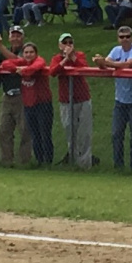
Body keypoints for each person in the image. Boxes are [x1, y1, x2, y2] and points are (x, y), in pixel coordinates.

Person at [94, 26, 132, 170]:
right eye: (122, 37)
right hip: (120, 100)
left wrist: (105, 63)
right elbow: (107, 65)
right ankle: (118, 166)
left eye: (128, 36)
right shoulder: (116, 50)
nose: (125, 40)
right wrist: (100, 62)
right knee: (117, 133)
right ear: (118, 38)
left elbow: (128, 65)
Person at [0, 42, 54, 165]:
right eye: (26, 52)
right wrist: (17, 68)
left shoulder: (39, 61)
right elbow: (5, 64)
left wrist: (23, 71)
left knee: (45, 133)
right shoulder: (22, 62)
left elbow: (36, 67)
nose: (29, 55)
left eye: (31, 52)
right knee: (35, 134)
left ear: (36, 53)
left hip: (43, 103)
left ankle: (48, 162)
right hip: (28, 104)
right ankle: (39, 161)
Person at [0, 26, 32, 165]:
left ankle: (25, 162)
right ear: (9, 37)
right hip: (7, 96)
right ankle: (6, 161)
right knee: (3, 131)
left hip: (23, 95)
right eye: (13, 35)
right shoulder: (3, 51)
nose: (15, 38)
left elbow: (17, 60)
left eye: (18, 35)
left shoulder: (26, 50)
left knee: (24, 131)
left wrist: (0, 45)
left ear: (23, 38)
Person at [49, 33, 94, 168]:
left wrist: (72, 57)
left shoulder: (79, 55)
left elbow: (84, 68)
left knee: (84, 132)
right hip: (66, 101)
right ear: (60, 45)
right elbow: (53, 72)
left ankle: (85, 163)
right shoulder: (56, 58)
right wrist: (64, 60)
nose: (68, 45)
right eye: (65, 42)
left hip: (82, 99)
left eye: (70, 42)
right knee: (70, 131)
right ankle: (73, 161)